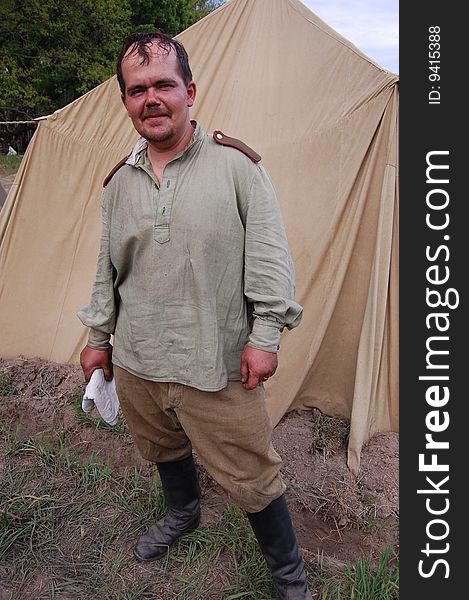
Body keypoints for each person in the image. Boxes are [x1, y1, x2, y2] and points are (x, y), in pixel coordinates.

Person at [77, 31, 311, 600]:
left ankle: (289, 577)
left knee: (252, 473)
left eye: (164, 85)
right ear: (126, 101)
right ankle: (184, 515)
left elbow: (269, 257)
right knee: (161, 447)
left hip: (217, 358)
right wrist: (98, 335)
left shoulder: (238, 166)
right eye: (138, 90)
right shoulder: (118, 182)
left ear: (190, 92)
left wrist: (266, 336)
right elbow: (108, 265)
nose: (151, 98)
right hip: (138, 359)